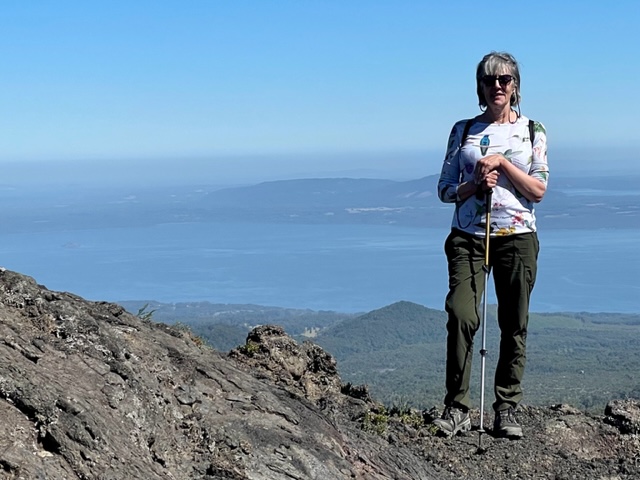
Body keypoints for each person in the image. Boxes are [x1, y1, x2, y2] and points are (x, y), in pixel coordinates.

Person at [432, 51, 549, 439]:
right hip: (469, 236)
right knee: (462, 314)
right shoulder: (462, 130)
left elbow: (538, 189)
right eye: (489, 80)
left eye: (504, 80)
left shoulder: (533, 131)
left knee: (514, 322)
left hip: (516, 238)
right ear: (480, 87)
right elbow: (445, 190)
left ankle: (506, 407)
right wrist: (473, 186)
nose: (496, 86)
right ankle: (457, 406)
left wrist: (502, 164)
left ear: (515, 86)